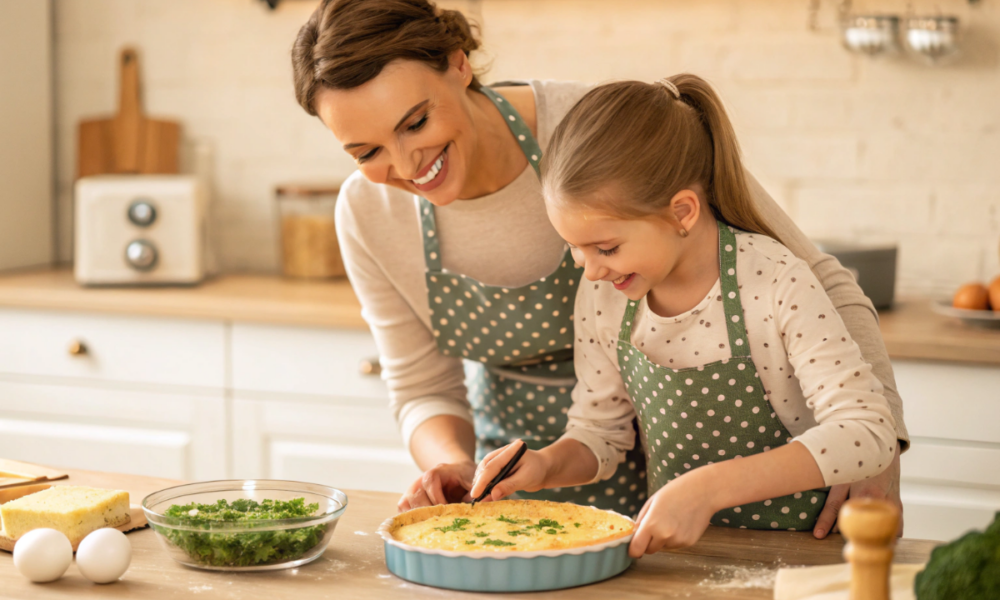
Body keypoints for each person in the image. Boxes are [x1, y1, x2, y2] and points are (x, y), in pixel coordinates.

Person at [291, 0, 908, 534]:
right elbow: (422, 384)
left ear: (458, 62)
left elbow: (820, 282)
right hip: (537, 464)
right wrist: (452, 462)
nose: (404, 164)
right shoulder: (368, 213)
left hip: (720, 476)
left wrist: (878, 448)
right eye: (367, 151)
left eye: (416, 121)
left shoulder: (595, 132)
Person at [470, 75, 901, 556]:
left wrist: (708, 489)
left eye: (606, 247)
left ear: (682, 212)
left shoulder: (776, 281)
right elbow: (600, 433)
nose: (589, 270)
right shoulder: (606, 296)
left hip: (810, 557)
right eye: (573, 249)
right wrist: (546, 465)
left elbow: (868, 432)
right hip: (683, 561)